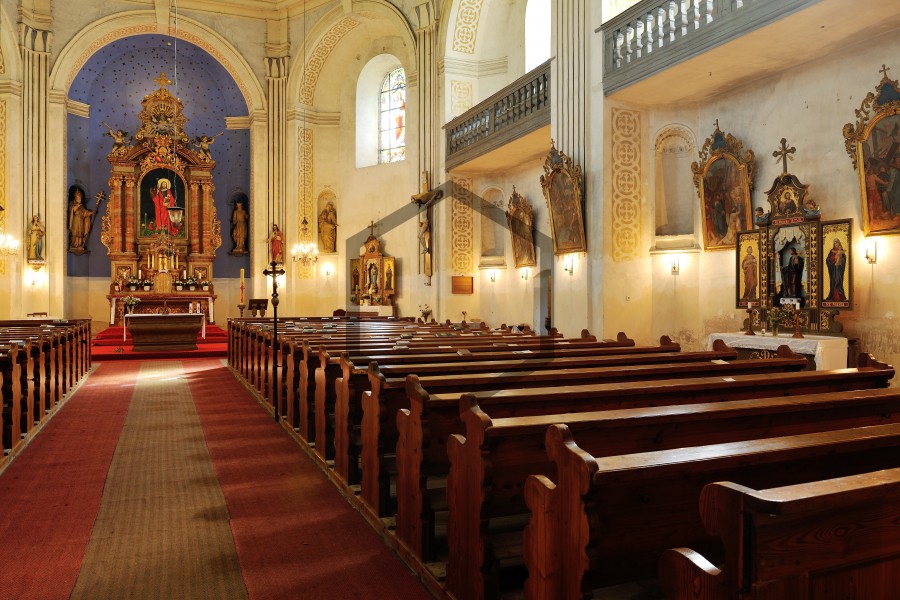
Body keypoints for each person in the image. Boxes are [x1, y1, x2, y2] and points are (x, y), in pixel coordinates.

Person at [68, 188, 96, 253]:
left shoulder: (81, 206)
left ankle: (79, 245)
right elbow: (72, 210)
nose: (79, 198)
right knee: (75, 232)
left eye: (80, 197)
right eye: (78, 197)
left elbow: (85, 213)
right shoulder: (72, 203)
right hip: (75, 221)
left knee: (80, 233)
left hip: (80, 221)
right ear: (76, 197)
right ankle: (73, 245)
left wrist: (91, 213)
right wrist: (77, 206)